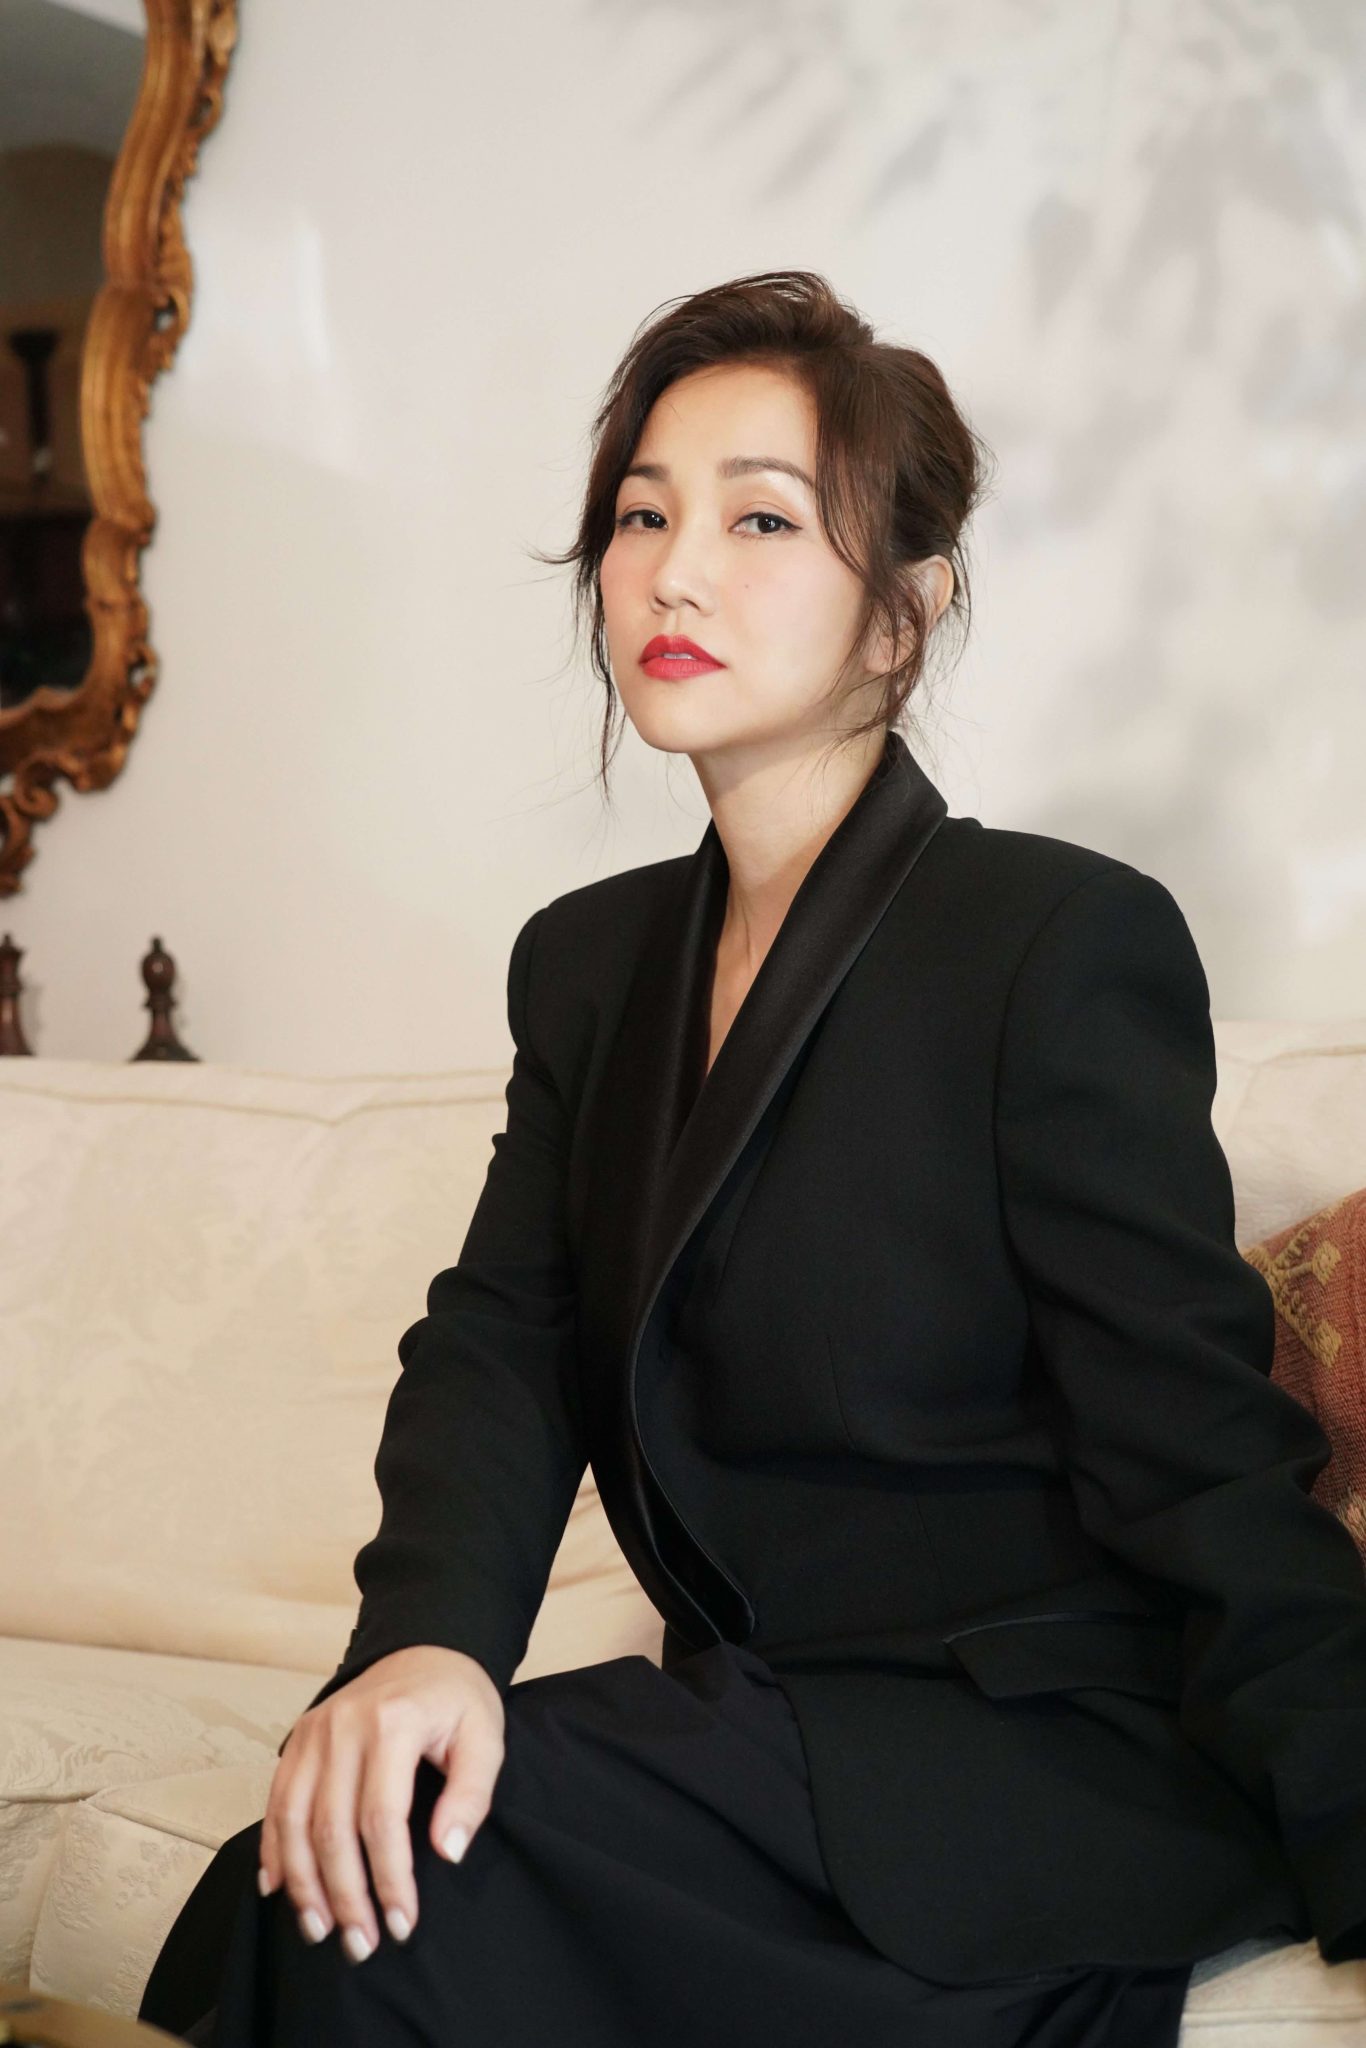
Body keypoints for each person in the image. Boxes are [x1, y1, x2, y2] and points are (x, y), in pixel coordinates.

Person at [140, 270, 1366, 2047]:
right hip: (752, 1742)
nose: (673, 572)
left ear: (900, 616)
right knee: (343, 1856)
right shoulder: (588, 965)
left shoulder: (1051, 940)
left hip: (1021, 1755)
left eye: (761, 519)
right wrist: (423, 1645)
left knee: (391, 1882)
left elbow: (1195, 1450)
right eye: (642, 516)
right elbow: (499, 1343)